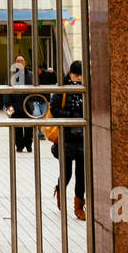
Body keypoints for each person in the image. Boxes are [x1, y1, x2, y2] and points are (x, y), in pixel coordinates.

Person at [49, 60, 87, 221]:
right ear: (70, 73)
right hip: (66, 137)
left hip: (83, 138)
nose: (79, 78)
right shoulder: (62, 89)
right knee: (67, 172)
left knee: (81, 174)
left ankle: (79, 206)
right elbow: (55, 109)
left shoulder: (86, 90)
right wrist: (72, 117)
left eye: (81, 75)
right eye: (76, 74)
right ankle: (60, 191)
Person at [4, 56, 33, 153]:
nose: (20, 62)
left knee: (29, 128)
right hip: (14, 105)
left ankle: (28, 145)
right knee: (17, 128)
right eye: (18, 61)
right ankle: (19, 146)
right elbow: (6, 91)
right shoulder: (10, 75)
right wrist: (8, 106)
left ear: (25, 62)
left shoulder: (31, 75)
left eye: (21, 61)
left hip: (28, 105)